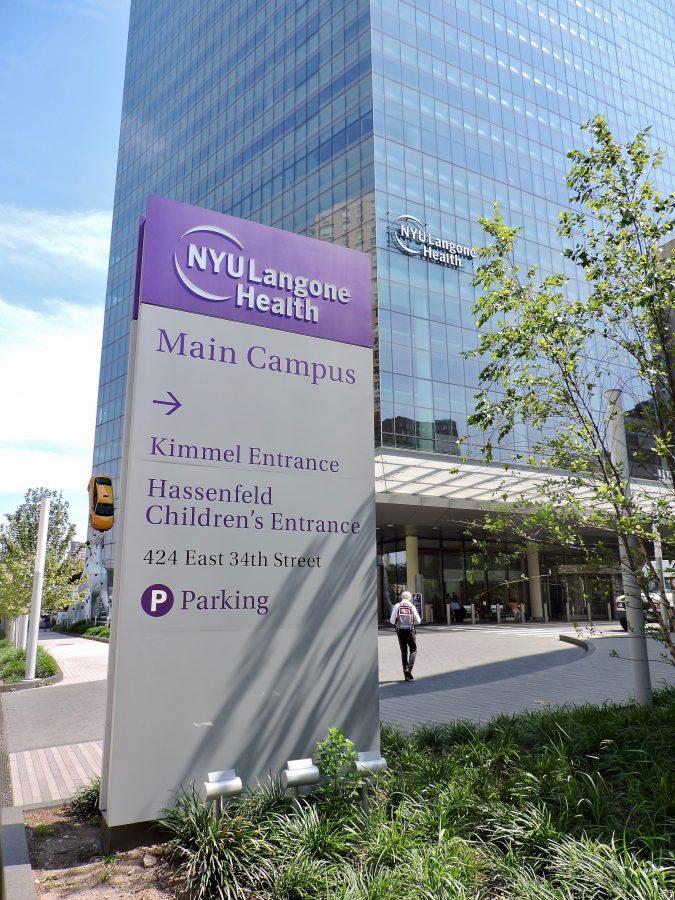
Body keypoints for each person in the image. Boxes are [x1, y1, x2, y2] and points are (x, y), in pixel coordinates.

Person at [390, 591, 421, 681]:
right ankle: (409, 669)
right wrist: (411, 623)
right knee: (413, 650)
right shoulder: (412, 606)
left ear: (402, 597)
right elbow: (418, 621)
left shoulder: (397, 606)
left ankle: (406, 676)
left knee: (404, 652)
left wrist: (399, 623)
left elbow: (392, 621)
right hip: (410, 631)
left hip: (400, 631)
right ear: (409, 598)